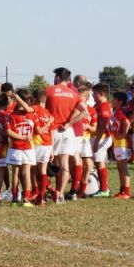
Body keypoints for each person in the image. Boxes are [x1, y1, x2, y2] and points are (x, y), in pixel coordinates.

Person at [45, 67, 88, 204]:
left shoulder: (49, 90)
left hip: (52, 130)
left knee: (47, 163)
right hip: (67, 131)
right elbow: (85, 112)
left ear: (57, 77)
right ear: (68, 79)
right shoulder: (73, 94)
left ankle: (48, 190)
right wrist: (70, 123)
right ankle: (60, 193)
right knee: (64, 164)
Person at [5, 89, 38, 207]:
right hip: (28, 147)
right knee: (26, 172)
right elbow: (37, 131)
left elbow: (9, 132)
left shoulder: (11, 115)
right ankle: (26, 199)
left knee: (15, 173)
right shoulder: (32, 114)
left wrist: (20, 138)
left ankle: (14, 199)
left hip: (15, 147)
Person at [90, 83, 113, 197]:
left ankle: (104, 189)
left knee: (99, 162)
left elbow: (103, 126)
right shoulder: (97, 105)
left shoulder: (104, 107)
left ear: (102, 94)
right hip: (98, 136)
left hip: (102, 137)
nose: (93, 96)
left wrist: (97, 142)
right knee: (98, 162)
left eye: (94, 94)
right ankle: (104, 187)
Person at [32, 89, 53, 206]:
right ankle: (42, 197)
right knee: (43, 170)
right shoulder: (49, 114)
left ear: (34, 100)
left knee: (32, 170)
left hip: (37, 143)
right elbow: (51, 132)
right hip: (47, 144)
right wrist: (53, 149)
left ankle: (36, 192)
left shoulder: (35, 110)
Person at [111, 91, 132, 198]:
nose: (112, 100)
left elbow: (127, 122)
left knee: (123, 168)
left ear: (119, 101)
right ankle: (122, 191)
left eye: (114, 99)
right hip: (117, 143)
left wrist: (124, 134)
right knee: (120, 168)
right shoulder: (117, 112)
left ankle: (127, 192)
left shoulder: (120, 112)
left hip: (122, 144)